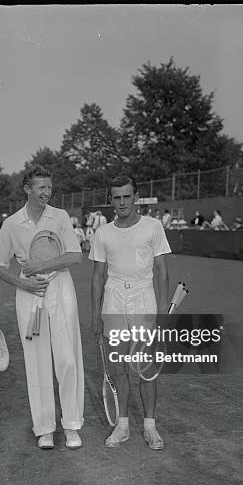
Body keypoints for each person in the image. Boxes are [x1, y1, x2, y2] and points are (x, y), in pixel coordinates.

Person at [0, 165, 84, 450]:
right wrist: (24, 284)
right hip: (29, 294)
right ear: (27, 190)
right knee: (37, 359)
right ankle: (44, 427)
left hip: (60, 289)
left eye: (49, 187)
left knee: (67, 359)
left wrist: (41, 266)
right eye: (41, 188)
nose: (47, 192)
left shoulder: (61, 216)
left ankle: (71, 425)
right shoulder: (12, 223)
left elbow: (75, 255)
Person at [90, 175, 171, 449]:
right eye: (117, 197)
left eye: (127, 196)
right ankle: (122, 425)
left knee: (146, 369)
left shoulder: (153, 227)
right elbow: (98, 277)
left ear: (136, 196)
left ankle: (150, 427)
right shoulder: (102, 233)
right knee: (118, 368)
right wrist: (95, 314)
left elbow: (161, 271)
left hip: (143, 299)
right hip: (113, 301)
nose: (122, 202)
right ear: (110, 200)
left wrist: (161, 310)